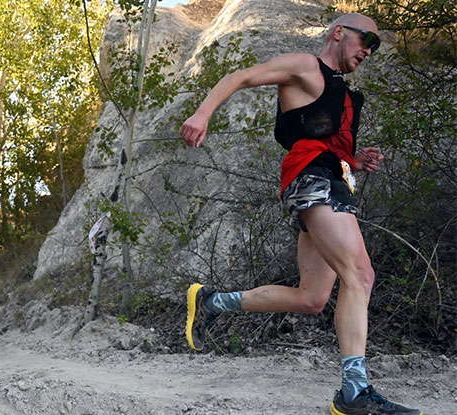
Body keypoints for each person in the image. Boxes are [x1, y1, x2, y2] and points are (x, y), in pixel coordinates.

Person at [180, 13, 422, 415]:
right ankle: (354, 392)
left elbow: (321, 138)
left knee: (312, 298)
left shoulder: (340, 92)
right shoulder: (306, 66)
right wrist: (202, 114)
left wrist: (353, 160)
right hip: (314, 181)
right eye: (367, 42)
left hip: (328, 179)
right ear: (339, 33)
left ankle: (211, 302)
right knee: (360, 274)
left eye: (374, 48)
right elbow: (240, 76)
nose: (368, 52)